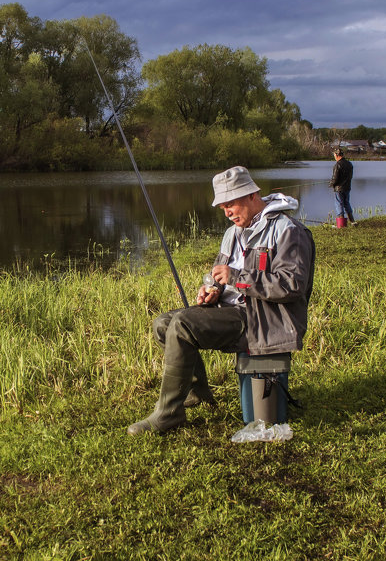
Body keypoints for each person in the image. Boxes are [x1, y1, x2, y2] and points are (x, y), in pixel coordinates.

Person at [127, 166, 316, 436]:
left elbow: (292, 285)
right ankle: (197, 393)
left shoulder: (288, 230)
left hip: (265, 318)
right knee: (163, 323)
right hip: (232, 309)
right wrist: (212, 289)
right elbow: (218, 275)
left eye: (231, 204)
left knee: (182, 325)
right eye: (223, 207)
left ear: (252, 195)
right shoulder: (232, 233)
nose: (227, 212)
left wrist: (237, 277)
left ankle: (168, 414)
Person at [330, 147, 356, 225]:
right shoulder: (349, 164)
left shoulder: (337, 165)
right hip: (347, 187)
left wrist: (331, 184)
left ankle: (341, 224)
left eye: (334, 154)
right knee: (346, 203)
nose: (334, 156)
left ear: (337, 155)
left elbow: (335, 179)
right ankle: (352, 221)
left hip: (339, 188)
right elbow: (350, 177)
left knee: (339, 204)